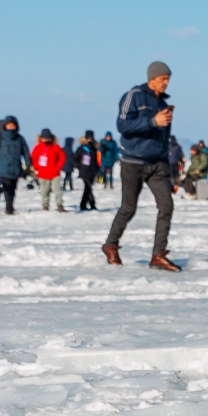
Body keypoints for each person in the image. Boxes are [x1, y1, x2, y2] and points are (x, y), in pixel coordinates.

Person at [103, 61, 180, 271]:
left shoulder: (164, 104)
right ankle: (111, 245)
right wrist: (152, 122)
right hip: (133, 162)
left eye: (168, 79)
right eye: (163, 79)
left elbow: (163, 136)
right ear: (152, 78)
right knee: (128, 208)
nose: (166, 83)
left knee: (166, 206)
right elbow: (122, 125)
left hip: (158, 164)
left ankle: (158, 254)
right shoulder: (134, 96)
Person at [0, 117, 31, 215]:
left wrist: (28, 164)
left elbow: (25, 152)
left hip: (16, 168)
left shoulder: (20, 139)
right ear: (5, 126)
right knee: (6, 187)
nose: (11, 127)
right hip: (2, 168)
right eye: (9, 125)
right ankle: (8, 209)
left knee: (12, 188)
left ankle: (9, 206)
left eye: (13, 125)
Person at [32, 129, 67, 211]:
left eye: (48, 138)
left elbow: (62, 157)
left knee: (57, 190)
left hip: (55, 173)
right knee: (44, 191)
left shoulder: (56, 147)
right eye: (44, 138)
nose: (46, 140)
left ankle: (60, 205)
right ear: (41, 138)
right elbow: (33, 158)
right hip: (42, 174)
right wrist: (37, 167)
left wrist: (58, 167)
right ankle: (45, 206)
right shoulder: (37, 148)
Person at [76, 131, 99, 211]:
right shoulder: (80, 149)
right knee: (88, 187)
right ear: (85, 139)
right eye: (88, 138)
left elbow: (97, 161)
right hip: (84, 172)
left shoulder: (94, 150)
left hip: (92, 172)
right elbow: (75, 159)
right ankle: (92, 204)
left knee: (87, 188)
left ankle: (83, 204)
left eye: (91, 138)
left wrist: (97, 171)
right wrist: (79, 167)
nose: (89, 140)